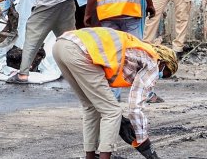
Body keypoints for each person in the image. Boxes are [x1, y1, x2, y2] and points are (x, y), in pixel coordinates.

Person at [53, 27, 178, 159]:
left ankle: (90, 156)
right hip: (79, 52)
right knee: (112, 112)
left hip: (61, 45)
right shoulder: (153, 62)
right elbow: (135, 108)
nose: (158, 77)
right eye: (164, 74)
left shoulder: (137, 50)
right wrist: (143, 140)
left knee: (91, 107)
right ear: (164, 63)